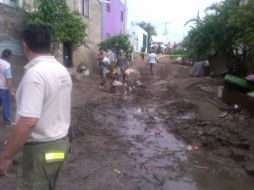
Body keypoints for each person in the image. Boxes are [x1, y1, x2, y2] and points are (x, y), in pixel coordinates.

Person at [0, 24, 72, 190]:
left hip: (42, 150)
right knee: (50, 183)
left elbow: (28, 121)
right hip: (61, 145)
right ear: (51, 46)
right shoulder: (62, 70)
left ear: (24, 45)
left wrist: (6, 156)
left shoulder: (35, 74)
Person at [0, 49, 14, 127]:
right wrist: (11, 90)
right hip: (4, 88)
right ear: (9, 56)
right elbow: (8, 79)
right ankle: (7, 122)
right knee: (6, 105)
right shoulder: (7, 65)